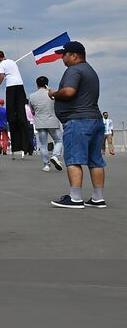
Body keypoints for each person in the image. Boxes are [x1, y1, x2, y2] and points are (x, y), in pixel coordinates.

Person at [47, 42, 105, 208]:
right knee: (96, 161)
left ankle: (75, 198)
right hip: (95, 119)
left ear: (74, 55)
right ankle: (98, 198)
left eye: (64, 54)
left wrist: (54, 94)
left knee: (73, 159)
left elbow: (69, 91)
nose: (61, 58)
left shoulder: (74, 70)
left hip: (78, 121)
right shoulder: (90, 71)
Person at [0, 50, 32, 157]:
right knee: (21, 110)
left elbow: (2, 75)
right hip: (20, 85)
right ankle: (27, 146)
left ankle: (17, 144)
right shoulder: (12, 61)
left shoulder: (1, 64)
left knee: (11, 110)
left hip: (11, 86)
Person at [27, 77, 63, 172]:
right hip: (52, 121)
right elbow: (58, 105)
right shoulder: (52, 94)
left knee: (43, 144)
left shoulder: (32, 96)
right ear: (47, 83)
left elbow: (32, 110)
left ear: (37, 84)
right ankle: (55, 156)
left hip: (40, 121)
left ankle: (46, 165)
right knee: (59, 140)